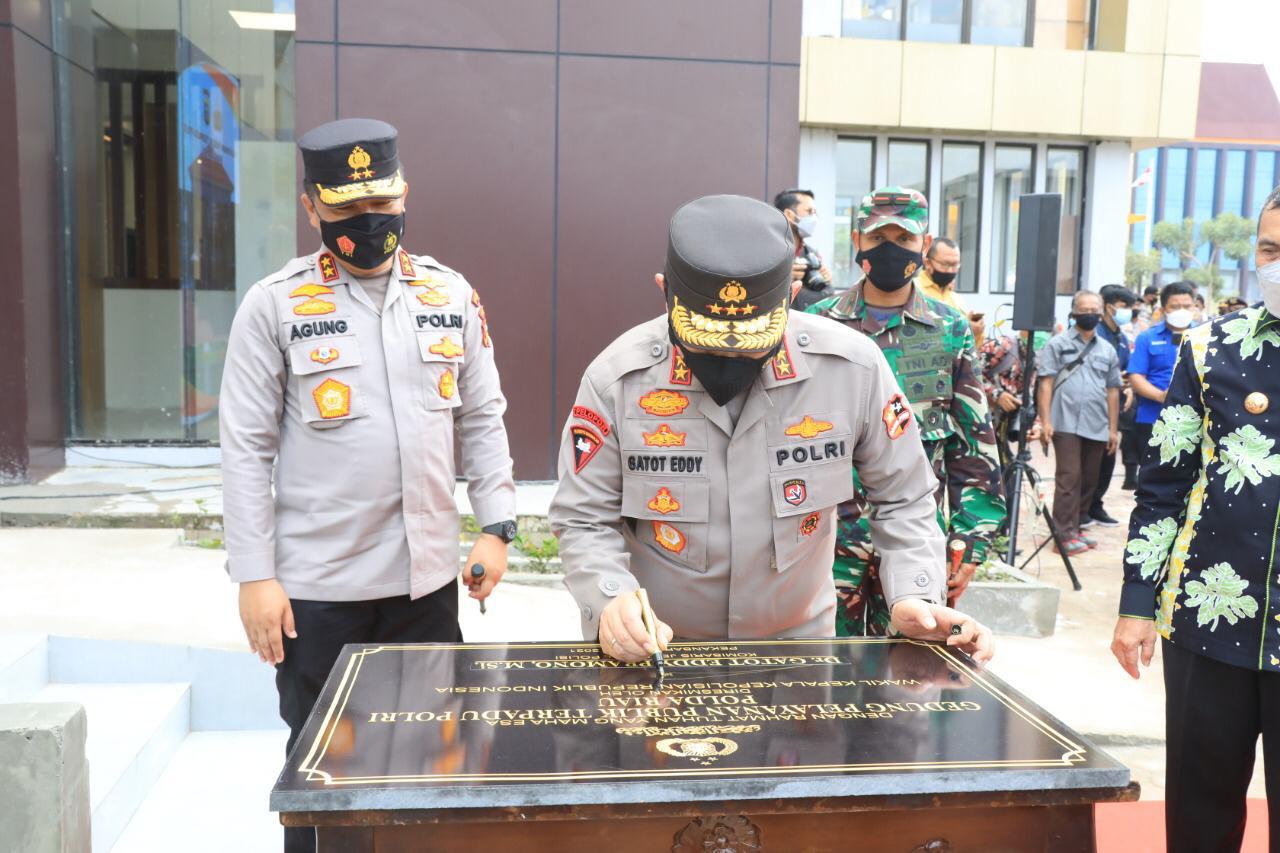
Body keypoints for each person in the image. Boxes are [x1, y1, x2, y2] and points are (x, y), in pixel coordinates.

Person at [219, 119, 517, 853]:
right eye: (347, 209)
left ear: (404, 192)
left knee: (432, 765)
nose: (368, 222)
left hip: (424, 587)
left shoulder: (449, 294)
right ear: (312, 206)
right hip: (320, 594)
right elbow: (246, 449)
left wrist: (496, 524)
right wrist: (255, 575)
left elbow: (482, 416)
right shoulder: (276, 306)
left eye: (380, 201)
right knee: (327, 777)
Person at [549, 193, 993, 665]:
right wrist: (610, 597)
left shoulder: (852, 370)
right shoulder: (618, 380)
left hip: (797, 658)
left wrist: (914, 595)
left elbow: (904, 495)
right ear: (664, 291)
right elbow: (583, 516)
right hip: (655, 653)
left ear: (792, 298)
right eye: (708, 343)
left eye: (750, 344)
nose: (730, 358)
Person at [1111, 187, 1280, 853]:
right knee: (1199, 821)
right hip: (1210, 623)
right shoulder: (1210, 349)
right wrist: (1135, 601)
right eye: (1270, 249)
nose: (1277, 263)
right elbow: (1162, 486)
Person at [808, 187, 1005, 636]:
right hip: (825, 547)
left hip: (916, 544)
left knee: (906, 685)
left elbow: (973, 444)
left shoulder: (948, 328)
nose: (891, 250)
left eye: (904, 238)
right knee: (817, 680)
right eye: (878, 240)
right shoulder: (817, 324)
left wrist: (969, 541)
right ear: (858, 241)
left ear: (925, 243)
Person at [1035, 290, 1122, 556]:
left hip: (1097, 424)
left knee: (1089, 480)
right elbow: (1046, 383)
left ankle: (1077, 526)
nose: (1090, 313)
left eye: (1094, 309)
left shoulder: (1107, 349)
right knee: (1069, 478)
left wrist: (1113, 429)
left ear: (1102, 311)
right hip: (1065, 422)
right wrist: (1046, 420)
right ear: (1073, 313)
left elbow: (1113, 391)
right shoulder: (1057, 344)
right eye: (1084, 309)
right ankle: (1062, 535)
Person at [1128, 281, 1197, 471]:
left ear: (1195, 307)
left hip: (1195, 420)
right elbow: (1136, 376)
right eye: (1175, 306)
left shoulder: (1207, 334)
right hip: (1153, 417)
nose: (1181, 310)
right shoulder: (1147, 337)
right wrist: (1161, 396)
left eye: (1187, 306)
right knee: (1153, 475)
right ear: (1164, 309)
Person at [1085, 284, 1139, 521]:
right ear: (1108, 306)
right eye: (1123, 306)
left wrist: (1127, 388)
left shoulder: (1121, 337)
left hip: (1114, 406)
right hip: (1093, 405)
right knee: (1090, 461)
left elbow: (1125, 370)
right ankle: (1082, 508)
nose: (1127, 311)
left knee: (1108, 458)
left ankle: (1096, 504)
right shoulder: (1094, 333)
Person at [774, 188, 835, 310]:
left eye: (815, 212)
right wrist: (782, 280)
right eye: (809, 211)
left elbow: (824, 294)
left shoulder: (811, 254)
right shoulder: (769, 253)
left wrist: (825, 278)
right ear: (789, 215)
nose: (814, 217)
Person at [918, 236, 985, 347]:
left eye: (955, 265)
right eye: (945, 264)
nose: (950, 271)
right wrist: (963, 330)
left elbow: (972, 350)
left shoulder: (957, 300)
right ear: (928, 263)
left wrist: (976, 332)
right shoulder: (913, 290)